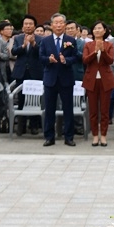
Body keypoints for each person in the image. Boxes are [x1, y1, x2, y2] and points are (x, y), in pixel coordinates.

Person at [39, 12, 79, 147]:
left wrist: (65, 60)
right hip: (50, 78)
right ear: (51, 25)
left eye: (61, 22)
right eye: (55, 23)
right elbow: (41, 57)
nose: (58, 25)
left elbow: (75, 58)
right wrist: (48, 60)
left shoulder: (71, 40)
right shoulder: (45, 40)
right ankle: (49, 137)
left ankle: (69, 137)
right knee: (49, 109)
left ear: (65, 25)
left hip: (66, 78)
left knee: (68, 109)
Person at [82, 21, 114, 147]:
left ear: (104, 31)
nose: (97, 30)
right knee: (93, 110)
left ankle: (103, 135)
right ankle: (95, 135)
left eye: (99, 28)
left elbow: (110, 61)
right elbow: (85, 60)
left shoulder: (109, 45)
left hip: (105, 80)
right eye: (95, 28)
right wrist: (95, 51)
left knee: (104, 110)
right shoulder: (88, 45)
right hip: (91, 80)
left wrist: (103, 51)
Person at [11, 15, 44, 136]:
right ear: (23, 26)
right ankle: (21, 126)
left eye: (30, 24)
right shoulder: (18, 38)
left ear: (34, 26)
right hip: (21, 72)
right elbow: (14, 52)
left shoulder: (41, 39)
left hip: (36, 72)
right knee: (21, 100)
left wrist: (33, 44)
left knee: (35, 100)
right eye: (26, 24)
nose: (28, 26)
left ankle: (34, 126)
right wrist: (24, 46)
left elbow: (41, 53)